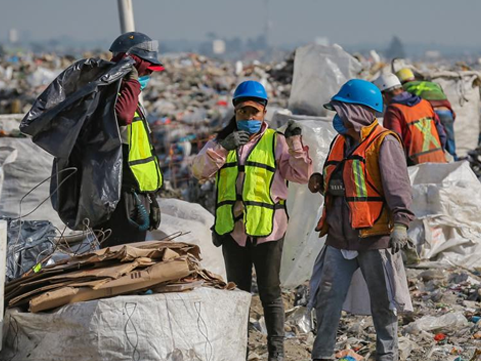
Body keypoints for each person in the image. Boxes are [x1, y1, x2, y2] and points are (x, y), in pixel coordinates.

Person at [191, 80, 312, 361]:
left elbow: (301, 175)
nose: (248, 118)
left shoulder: (276, 141)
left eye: (253, 112)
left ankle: (276, 353)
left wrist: (295, 144)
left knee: (270, 293)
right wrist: (222, 148)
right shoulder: (221, 141)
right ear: (235, 112)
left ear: (263, 113)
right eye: (243, 112)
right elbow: (198, 171)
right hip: (232, 230)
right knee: (238, 294)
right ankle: (238, 350)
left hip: (269, 228)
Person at [309, 79, 414, 361]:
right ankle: (321, 356)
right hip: (338, 236)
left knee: (383, 303)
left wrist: (401, 223)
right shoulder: (339, 142)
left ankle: (387, 355)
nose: (336, 117)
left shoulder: (383, 142)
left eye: (340, 110)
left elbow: (398, 186)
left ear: (358, 112)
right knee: (327, 300)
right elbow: (343, 178)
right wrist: (322, 181)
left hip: (373, 237)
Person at [98, 32, 164, 248]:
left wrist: (151, 198)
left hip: (136, 193)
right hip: (118, 195)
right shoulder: (110, 92)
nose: (147, 76)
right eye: (145, 70)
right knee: (117, 258)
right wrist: (132, 80)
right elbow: (123, 116)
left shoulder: (129, 94)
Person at [374, 73, 447, 165]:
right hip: (439, 160)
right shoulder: (424, 103)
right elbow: (442, 134)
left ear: (383, 95)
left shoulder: (393, 110)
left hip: (416, 167)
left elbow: (395, 142)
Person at [396, 68, 457, 160]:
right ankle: (456, 165)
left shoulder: (405, 88)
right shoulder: (432, 84)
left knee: (434, 144)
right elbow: (445, 101)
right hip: (446, 113)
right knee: (450, 144)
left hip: (431, 114)